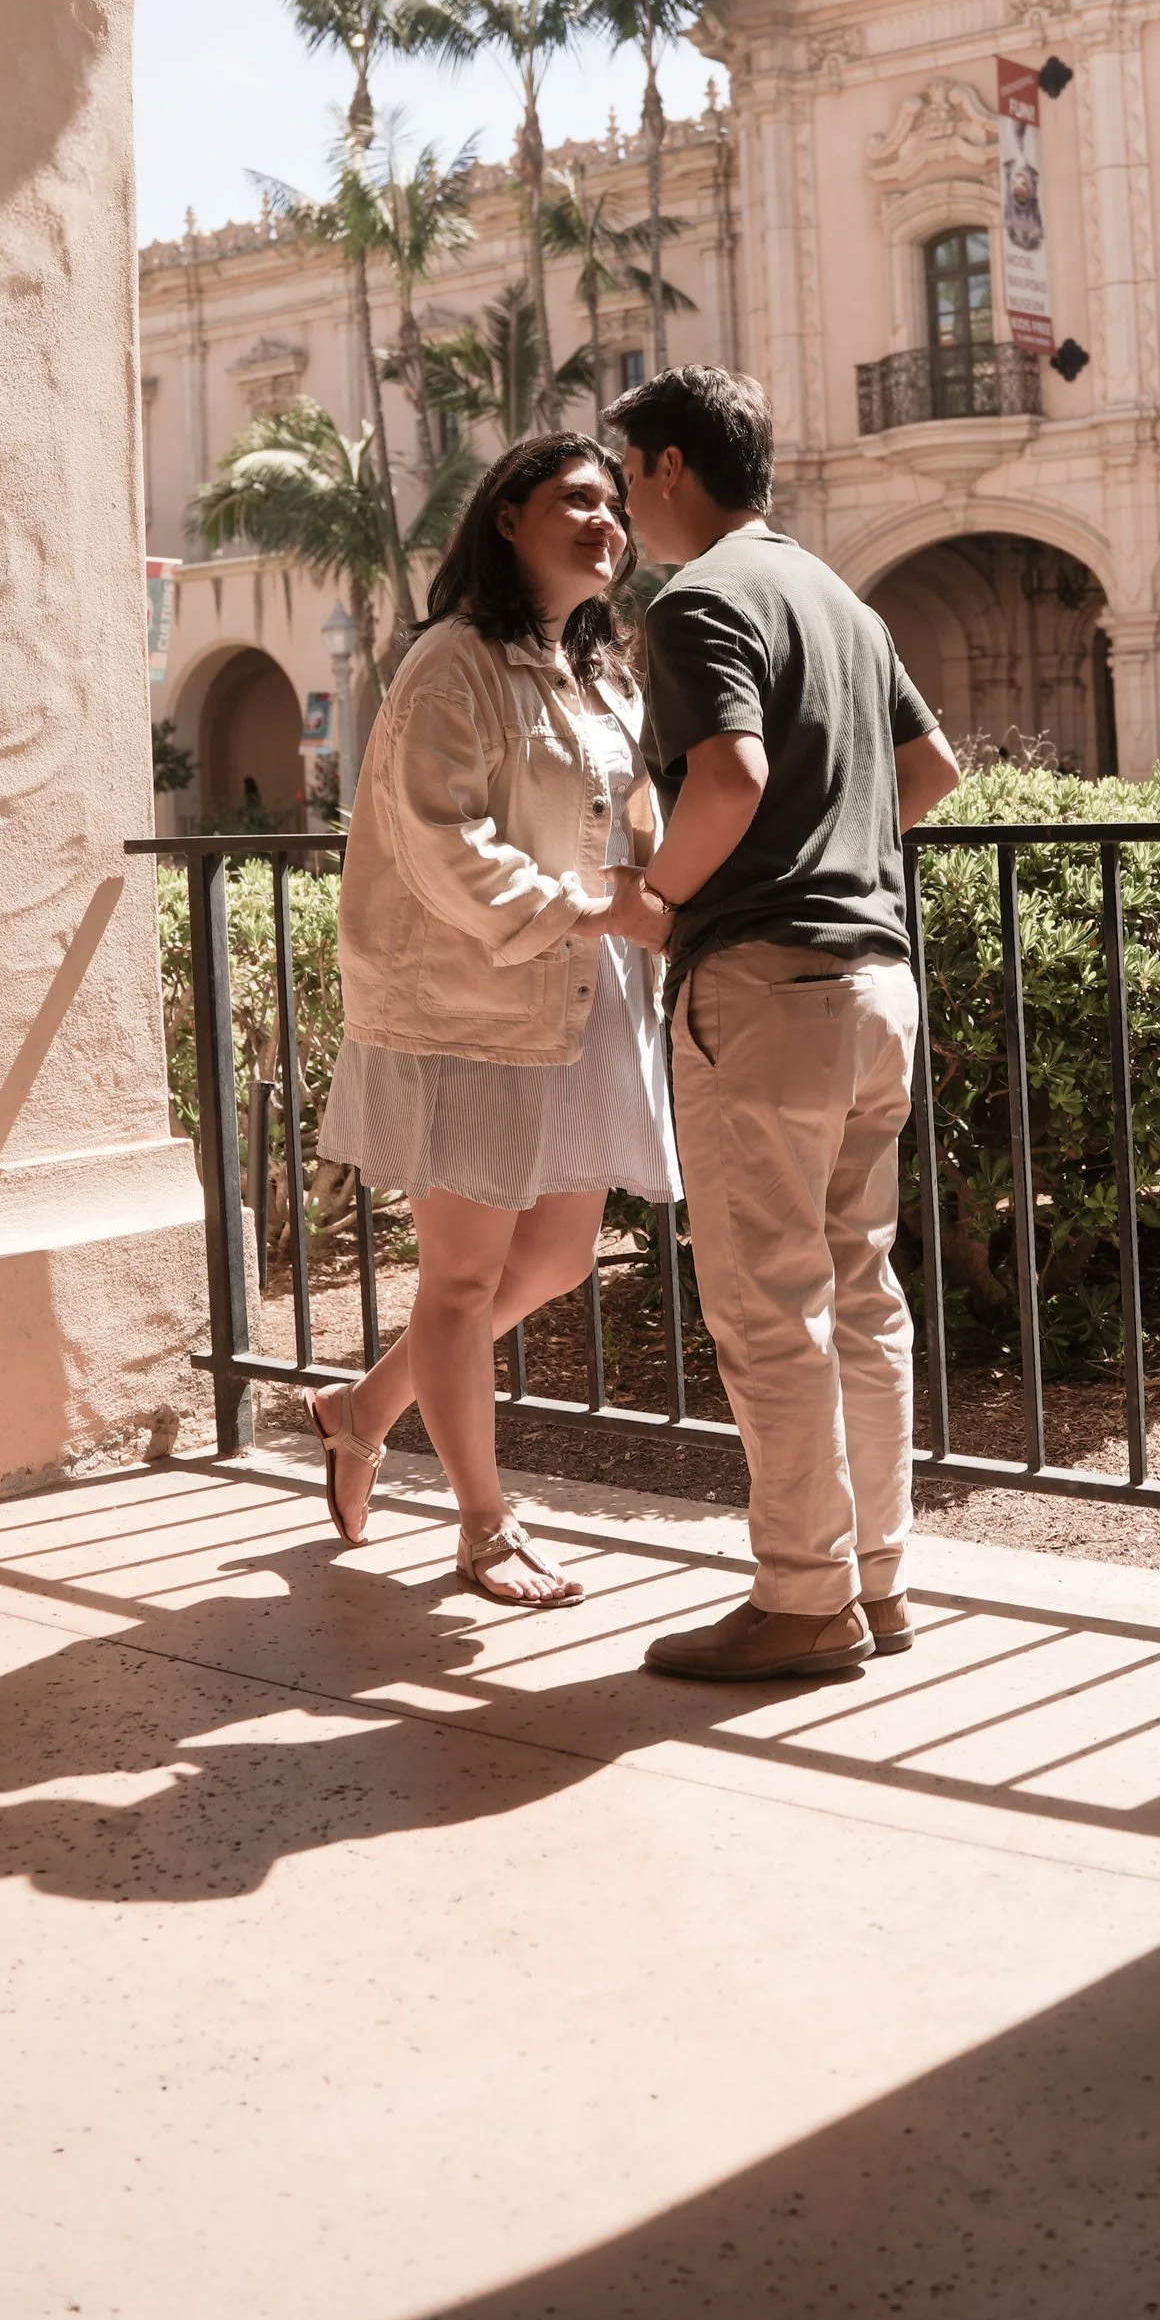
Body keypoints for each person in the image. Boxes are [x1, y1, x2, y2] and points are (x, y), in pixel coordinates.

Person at [596, 365, 961, 1683]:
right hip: (877, 987)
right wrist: (833, 856)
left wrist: (662, 897)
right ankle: (880, 1580)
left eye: (627, 473)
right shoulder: (841, 600)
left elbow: (732, 772)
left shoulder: (697, 600)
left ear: (671, 467)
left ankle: (803, 1599)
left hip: (765, 988)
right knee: (860, 1292)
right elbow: (931, 771)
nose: (627, 505)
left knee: (769, 1307)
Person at [304, 433, 677, 1610]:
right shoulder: (450, 663)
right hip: (468, 1002)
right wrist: (596, 912)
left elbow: (636, 821)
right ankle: (482, 1526)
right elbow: (441, 836)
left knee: (558, 1259)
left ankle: (361, 1410)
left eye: (613, 507)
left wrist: (666, 893)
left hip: (580, 994)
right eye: (575, 501)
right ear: (506, 518)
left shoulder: (603, 674)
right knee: (461, 1279)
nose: (603, 523)